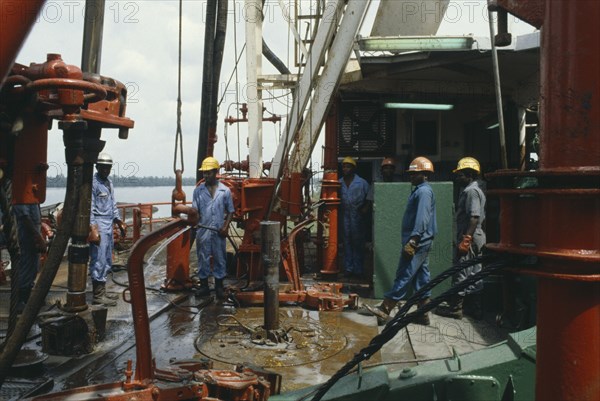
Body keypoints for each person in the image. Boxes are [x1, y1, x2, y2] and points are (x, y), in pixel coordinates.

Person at [366, 156, 437, 325]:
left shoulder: (424, 192)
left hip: (417, 242)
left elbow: (422, 218)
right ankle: (423, 313)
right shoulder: (421, 190)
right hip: (422, 241)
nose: (411, 176)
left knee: (404, 274)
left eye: (415, 174)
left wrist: (413, 240)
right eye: (410, 174)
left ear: (425, 174)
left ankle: (385, 309)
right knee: (421, 278)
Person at [435, 157, 486, 319]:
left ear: (470, 174)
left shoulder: (471, 191)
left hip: (469, 235)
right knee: (475, 272)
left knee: (461, 271)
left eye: (461, 174)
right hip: (477, 236)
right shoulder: (479, 188)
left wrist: (466, 240)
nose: (458, 178)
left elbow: (474, 216)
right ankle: (475, 309)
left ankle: (455, 308)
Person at [192, 157, 234, 299]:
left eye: (208, 172)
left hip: (218, 231)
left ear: (216, 172)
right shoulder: (198, 191)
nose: (205, 176)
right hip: (203, 231)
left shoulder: (225, 191)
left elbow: (231, 211)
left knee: (219, 257)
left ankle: (219, 287)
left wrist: (225, 227)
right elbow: (195, 211)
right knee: (202, 257)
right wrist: (194, 222)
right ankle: (204, 286)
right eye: (204, 173)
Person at [89, 152, 126, 307]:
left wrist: (118, 221)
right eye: (103, 167)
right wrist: (93, 228)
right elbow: (89, 207)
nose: (106, 170)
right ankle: (98, 295)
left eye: (108, 167)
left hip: (108, 224)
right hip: (99, 224)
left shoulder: (109, 183)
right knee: (99, 259)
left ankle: (102, 291)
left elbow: (113, 204)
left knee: (107, 259)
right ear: (97, 167)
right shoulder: (93, 183)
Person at [338, 156, 370, 278]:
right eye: (344, 166)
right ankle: (348, 269)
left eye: (348, 166)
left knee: (358, 243)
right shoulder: (339, 182)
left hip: (358, 215)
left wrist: (365, 207)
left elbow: (370, 196)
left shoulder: (361, 182)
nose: (345, 169)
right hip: (345, 214)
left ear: (353, 168)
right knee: (346, 243)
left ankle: (358, 270)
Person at [12, 202, 46, 310]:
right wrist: (38, 237)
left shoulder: (31, 193)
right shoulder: (21, 191)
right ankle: (21, 301)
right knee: (26, 265)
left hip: (33, 230)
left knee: (33, 266)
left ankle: (27, 297)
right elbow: (24, 217)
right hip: (26, 232)